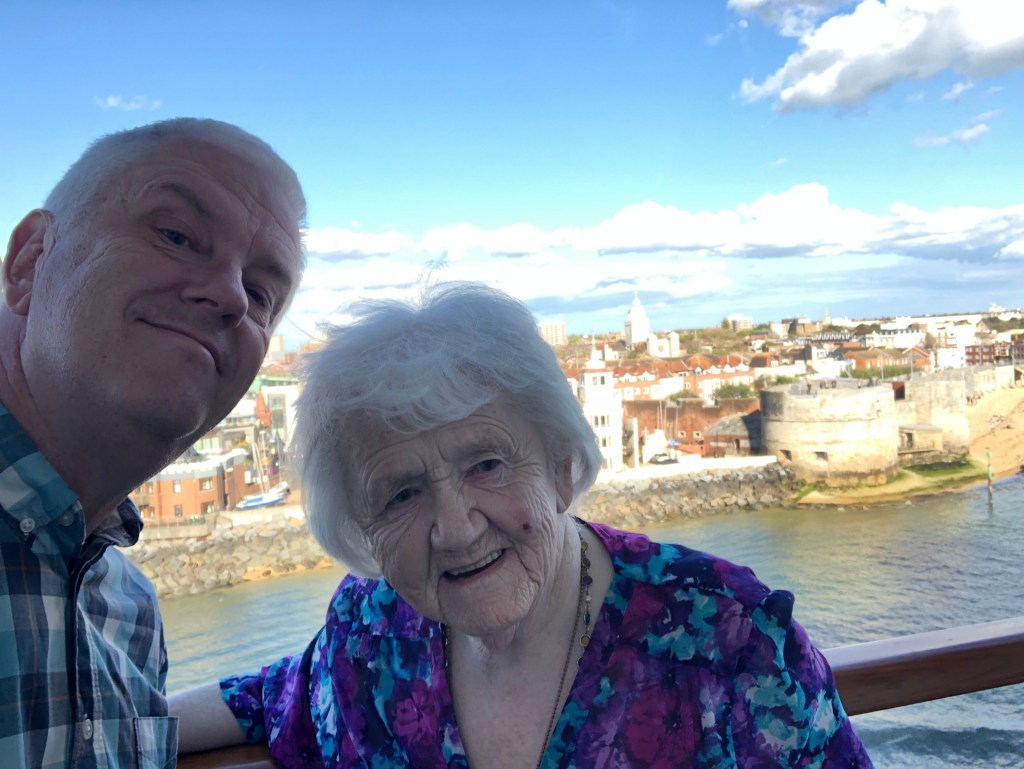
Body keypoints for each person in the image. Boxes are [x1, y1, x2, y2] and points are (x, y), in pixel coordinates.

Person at [173, 282, 872, 768]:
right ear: (361, 525)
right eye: (403, 493)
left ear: (562, 466)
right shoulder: (369, 632)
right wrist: (114, 733)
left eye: (486, 464)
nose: (455, 528)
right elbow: (272, 697)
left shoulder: (729, 637)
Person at [0, 118, 306, 768]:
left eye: (261, 293)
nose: (230, 295)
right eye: (176, 235)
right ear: (28, 262)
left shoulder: (129, 612)